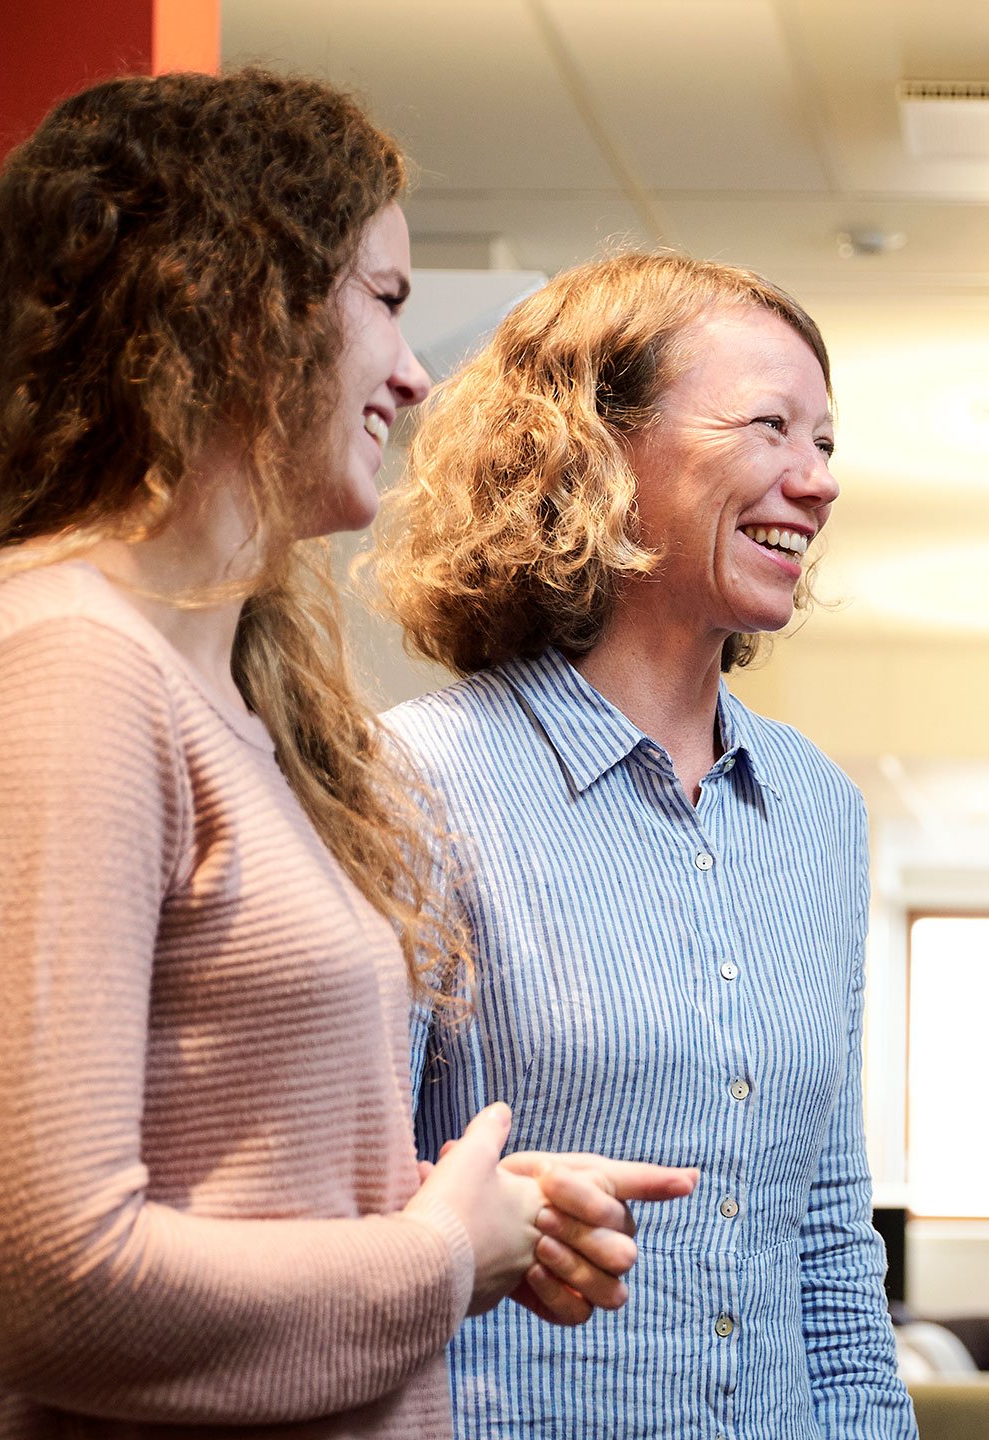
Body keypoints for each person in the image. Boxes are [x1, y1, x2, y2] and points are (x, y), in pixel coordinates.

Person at [0, 70, 669, 1439]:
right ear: (235, 303)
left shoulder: (209, 687)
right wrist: (436, 1258)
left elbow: (212, 1182)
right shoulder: (61, 672)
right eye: (386, 299)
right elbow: (44, 1284)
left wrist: (467, 1215)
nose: (416, 374)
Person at [368, 252, 914, 1438]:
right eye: (770, 426)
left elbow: (827, 1232)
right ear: (591, 452)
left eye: (826, 442)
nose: (817, 481)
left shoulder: (818, 812)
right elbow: (342, 1215)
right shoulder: (411, 783)